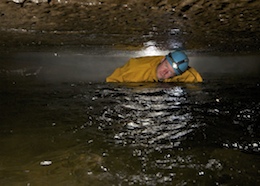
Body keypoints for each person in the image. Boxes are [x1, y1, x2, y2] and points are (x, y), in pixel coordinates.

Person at [106, 51, 203, 83]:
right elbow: (111, 81)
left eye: (170, 72)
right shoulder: (135, 69)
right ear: (162, 60)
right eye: (165, 66)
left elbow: (196, 79)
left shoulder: (182, 73)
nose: (164, 72)